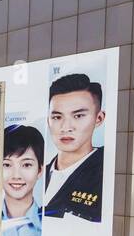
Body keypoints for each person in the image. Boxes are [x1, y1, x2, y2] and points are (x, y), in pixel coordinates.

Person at [43, 74, 106, 222]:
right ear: (48, 120)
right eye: (57, 117)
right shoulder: (38, 173)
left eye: (78, 116)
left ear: (99, 118)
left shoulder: (106, 171)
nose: (66, 127)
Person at [0, 125, 44, 236]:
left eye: (27, 164)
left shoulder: (49, 224)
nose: (16, 175)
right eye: (7, 165)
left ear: (40, 170)